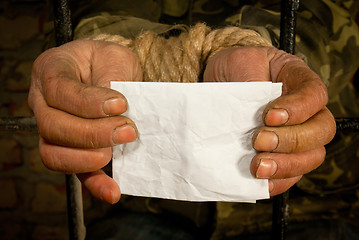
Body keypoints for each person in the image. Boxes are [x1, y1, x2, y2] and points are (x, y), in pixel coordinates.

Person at [28, 0, 359, 239]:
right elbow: (78, 8)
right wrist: (97, 52)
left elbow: (336, 16)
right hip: (146, 203)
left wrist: (270, 54)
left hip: (307, 206)